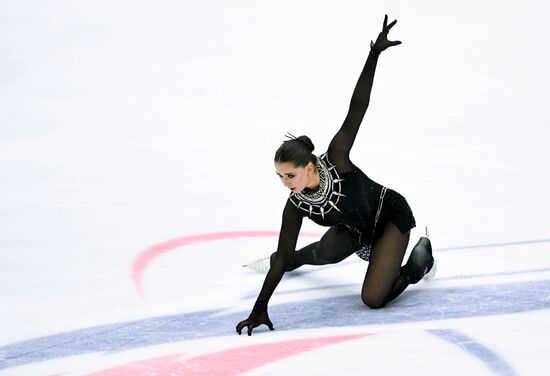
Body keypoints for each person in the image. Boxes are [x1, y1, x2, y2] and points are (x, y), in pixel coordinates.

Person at [236, 15, 435, 336]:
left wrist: (375, 53)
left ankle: (416, 266)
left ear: (310, 167)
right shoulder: (296, 205)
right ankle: (298, 264)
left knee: (372, 299)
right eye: (280, 177)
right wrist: (260, 308)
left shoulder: (337, 158)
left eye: (290, 175)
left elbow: (357, 107)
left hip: (389, 217)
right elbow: (282, 251)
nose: (286, 184)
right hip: (355, 230)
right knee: (316, 253)